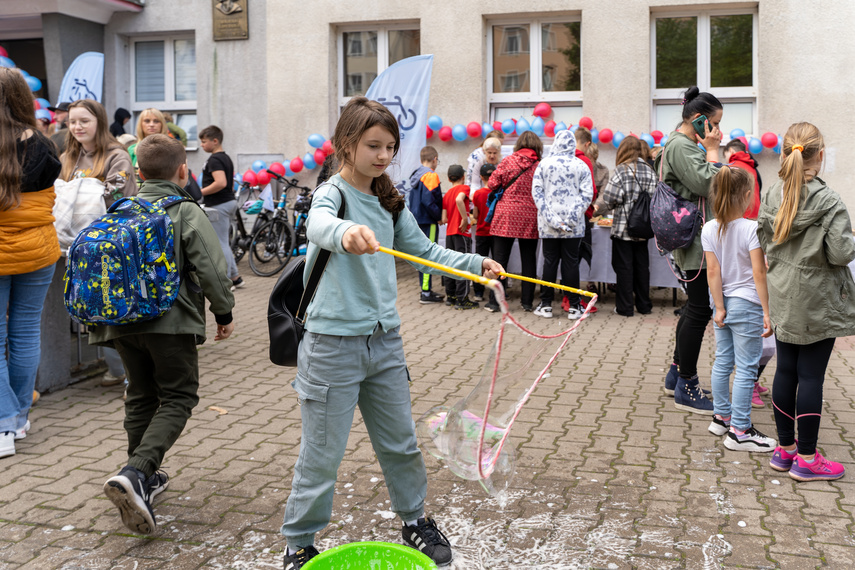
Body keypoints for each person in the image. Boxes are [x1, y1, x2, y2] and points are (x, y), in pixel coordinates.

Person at [278, 97, 502, 569]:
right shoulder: (332, 194)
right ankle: (298, 542)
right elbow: (318, 225)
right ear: (345, 145)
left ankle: (415, 521)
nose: (382, 155)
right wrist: (344, 233)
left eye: (390, 147)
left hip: (384, 344)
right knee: (321, 455)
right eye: (372, 145)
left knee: (401, 444)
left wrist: (475, 264)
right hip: (330, 346)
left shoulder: (389, 200)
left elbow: (425, 250)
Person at [95, 134, 236, 532]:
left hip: (120, 322)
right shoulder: (185, 210)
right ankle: (137, 473)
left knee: (140, 395)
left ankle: (140, 479)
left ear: (138, 172)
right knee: (178, 395)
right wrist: (223, 312)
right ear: (182, 172)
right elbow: (211, 267)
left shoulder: (120, 208)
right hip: (168, 323)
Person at [758, 122, 855, 481]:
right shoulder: (828, 200)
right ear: (821, 155)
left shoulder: (773, 193)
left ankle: (785, 451)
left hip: (783, 291)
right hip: (816, 298)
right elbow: (842, 253)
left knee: (786, 370)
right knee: (810, 376)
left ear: (786, 153)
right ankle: (808, 459)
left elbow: (764, 240)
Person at [0, 67, 62, 459]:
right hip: (39, 251)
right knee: (24, 333)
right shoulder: (43, 144)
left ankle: (5, 424)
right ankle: (19, 418)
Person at [60, 99, 139, 388]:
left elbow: (116, 195)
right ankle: (117, 369)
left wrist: (77, 192)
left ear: (99, 122)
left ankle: (135, 376)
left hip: (111, 248)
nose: (77, 127)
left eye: (84, 121)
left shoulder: (117, 155)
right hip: (78, 250)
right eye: (72, 121)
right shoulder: (68, 157)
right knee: (91, 312)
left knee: (118, 310)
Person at [702, 166, 775, 451]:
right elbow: (759, 273)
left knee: (723, 362)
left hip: (722, 305)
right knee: (746, 368)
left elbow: (712, 271)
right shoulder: (752, 228)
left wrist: (719, 307)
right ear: (746, 196)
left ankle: (721, 417)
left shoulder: (708, 228)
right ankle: (740, 431)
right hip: (748, 305)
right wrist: (768, 311)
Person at [659, 86, 723, 414]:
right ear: (698, 121)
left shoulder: (682, 143)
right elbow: (709, 184)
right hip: (694, 240)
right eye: (714, 124)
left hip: (694, 236)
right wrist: (712, 151)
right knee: (699, 310)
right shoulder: (681, 146)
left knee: (692, 308)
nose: (718, 132)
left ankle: (676, 374)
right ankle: (687, 384)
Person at [530, 129, 592, 320]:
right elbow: (587, 195)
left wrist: (551, 217)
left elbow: (537, 193)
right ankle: (574, 306)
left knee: (549, 262)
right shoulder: (581, 165)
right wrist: (572, 217)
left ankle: (546, 304)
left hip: (548, 225)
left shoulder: (543, 165)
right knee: (571, 263)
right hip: (574, 226)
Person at [596, 135, 656, 317]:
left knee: (624, 268)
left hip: (623, 228)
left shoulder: (621, 170)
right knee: (642, 267)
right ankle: (644, 305)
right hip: (644, 228)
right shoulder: (650, 170)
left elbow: (609, 198)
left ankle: (625, 307)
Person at [485, 130, 542, 313]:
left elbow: (492, 183)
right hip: (530, 216)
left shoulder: (508, 161)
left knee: (500, 259)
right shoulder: (539, 166)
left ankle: (495, 302)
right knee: (529, 260)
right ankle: (527, 303)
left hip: (506, 215)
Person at [198, 125, 242, 290]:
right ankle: (235, 277)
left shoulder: (215, 160)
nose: (202, 145)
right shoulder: (226, 158)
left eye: (204, 142)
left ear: (214, 141)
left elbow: (221, 182)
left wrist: (200, 193)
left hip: (219, 205)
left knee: (219, 243)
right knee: (224, 241)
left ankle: (225, 281)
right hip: (228, 202)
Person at [406, 146, 444, 303]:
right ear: (434, 159)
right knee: (428, 255)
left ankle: (425, 289)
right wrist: (439, 216)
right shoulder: (430, 175)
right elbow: (428, 201)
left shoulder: (417, 175)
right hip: (429, 220)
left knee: (422, 254)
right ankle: (426, 293)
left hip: (417, 219)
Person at [441, 164, 478, 309]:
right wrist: (464, 218)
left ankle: (451, 296)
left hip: (450, 233)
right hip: (462, 233)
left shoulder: (447, 193)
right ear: (463, 176)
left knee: (451, 264)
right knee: (463, 264)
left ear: (449, 179)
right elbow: (459, 200)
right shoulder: (464, 188)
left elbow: (444, 218)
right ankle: (462, 299)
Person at [470, 162, 496, 302]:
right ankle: (496, 290)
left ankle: (478, 292)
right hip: (495, 233)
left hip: (481, 232)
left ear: (481, 177)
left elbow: (475, 215)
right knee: (496, 262)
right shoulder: (497, 193)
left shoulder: (478, 194)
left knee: (480, 263)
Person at [723, 138, 762, 219]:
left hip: (739, 216)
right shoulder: (753, 167)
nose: (726, 160)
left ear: (730, 151)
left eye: (725, 156)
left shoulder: (731, 167)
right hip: (756, 215)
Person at [127, 108, 170, 179]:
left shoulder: (172, 148)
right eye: (147, 121)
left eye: (156, 121)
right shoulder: (132, 150)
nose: (151, 124)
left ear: (162, 124)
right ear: (141, 124)